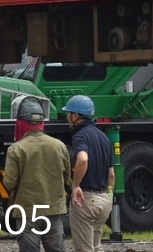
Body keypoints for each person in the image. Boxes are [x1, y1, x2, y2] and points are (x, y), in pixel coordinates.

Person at [4, 98, 71, 252]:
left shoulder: (16, 149)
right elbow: (67, 178)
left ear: (21, 123)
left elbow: (9, 182)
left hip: (27, 211)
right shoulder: (59, 146)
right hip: (53, 210)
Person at [63, 96, 112, 252]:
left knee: (84, 249)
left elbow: (83, 159)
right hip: (104, 200)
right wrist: (108, 197)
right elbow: (111, 174)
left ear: (76, 116)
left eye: (68, 113)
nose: (67, 116)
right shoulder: (104, 137)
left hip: (86, 199)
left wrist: (76, 185)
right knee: (96, 247)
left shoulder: (80, 135)